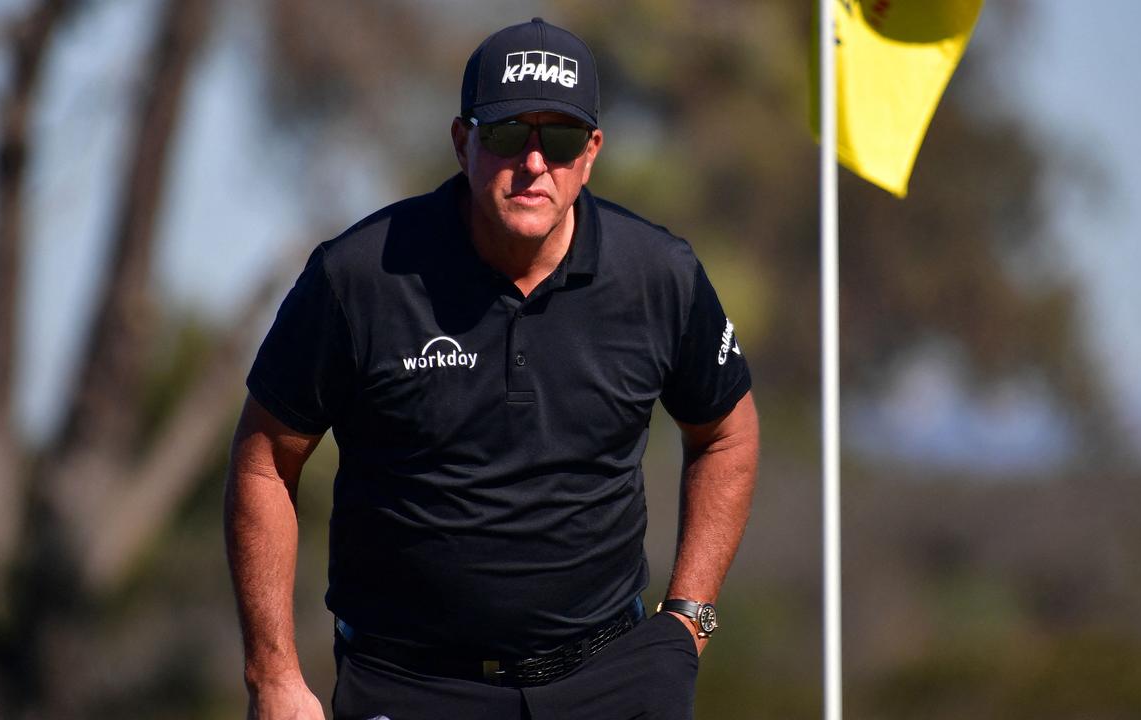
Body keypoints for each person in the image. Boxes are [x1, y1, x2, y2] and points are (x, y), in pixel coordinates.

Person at [225, 17, 757, 720]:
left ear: (591, 151)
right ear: (461, 141)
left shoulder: (659, 276)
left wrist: (689, 619)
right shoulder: (359, 277)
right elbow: (265, 461)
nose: (535, 162)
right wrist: (274, 675)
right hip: (410, 686)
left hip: (613, 680)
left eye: (561, 138)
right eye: (509, 134)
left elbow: (727, 434)